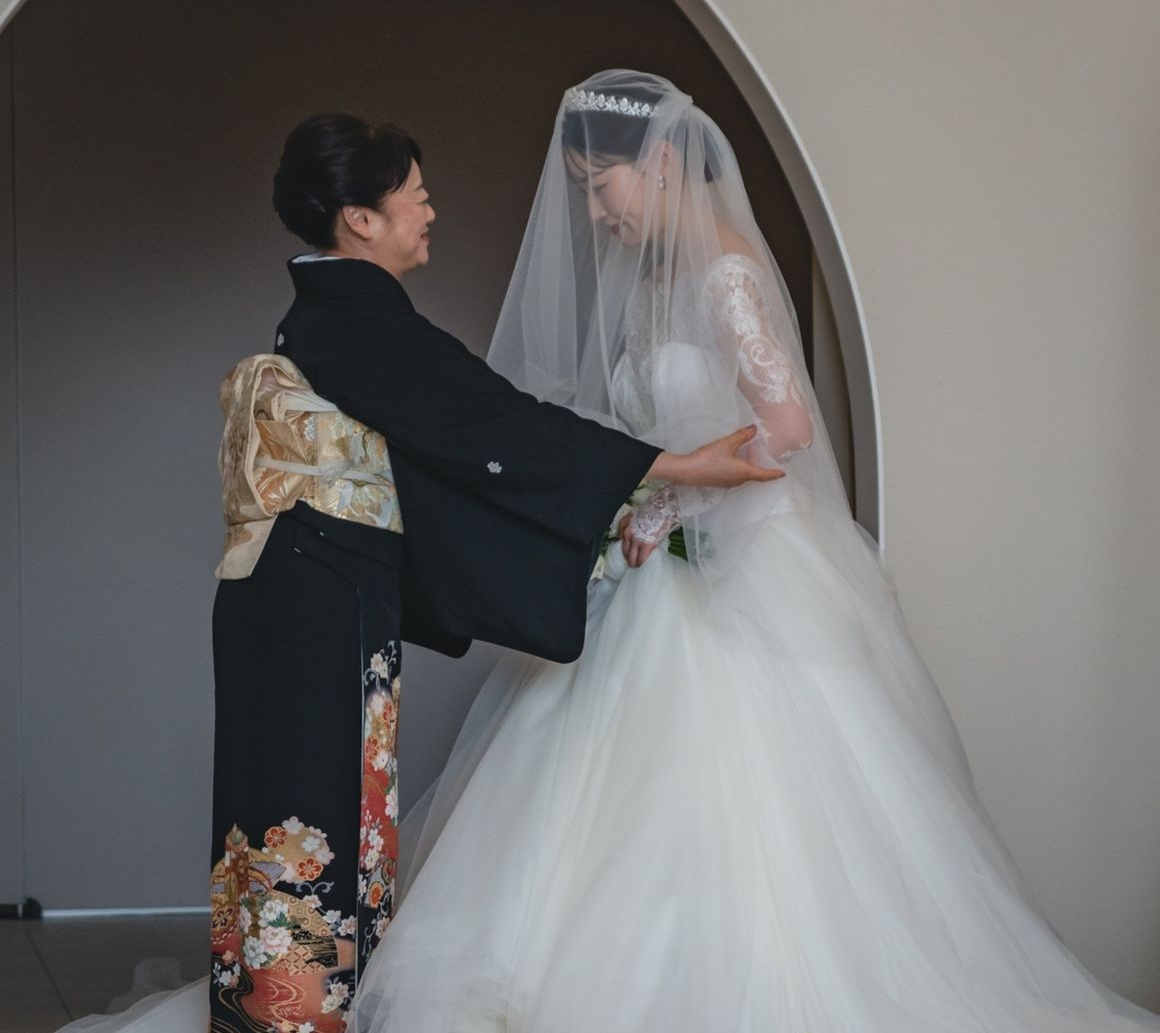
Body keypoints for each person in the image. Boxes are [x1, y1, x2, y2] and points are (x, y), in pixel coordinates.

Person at [344, 71, 1160, 1032]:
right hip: (659, 572)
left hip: (744, 571)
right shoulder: (654, 285)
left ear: (659, 162)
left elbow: (786, 428)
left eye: (600, 187)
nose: (596, 214)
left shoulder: (725, 273)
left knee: (754, 797)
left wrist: (668, 506)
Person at [56, 111, 780, 1033]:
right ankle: (298, 1013)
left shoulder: (337, 310)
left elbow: (472, 428)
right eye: (416, 196)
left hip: (303, 585)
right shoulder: (356, 315)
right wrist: (669, 467)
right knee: (316, 799)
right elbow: (492, 424)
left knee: (303, 800)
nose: (430, 212)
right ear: (362, 218)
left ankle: (281, 1003)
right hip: (318, 593)